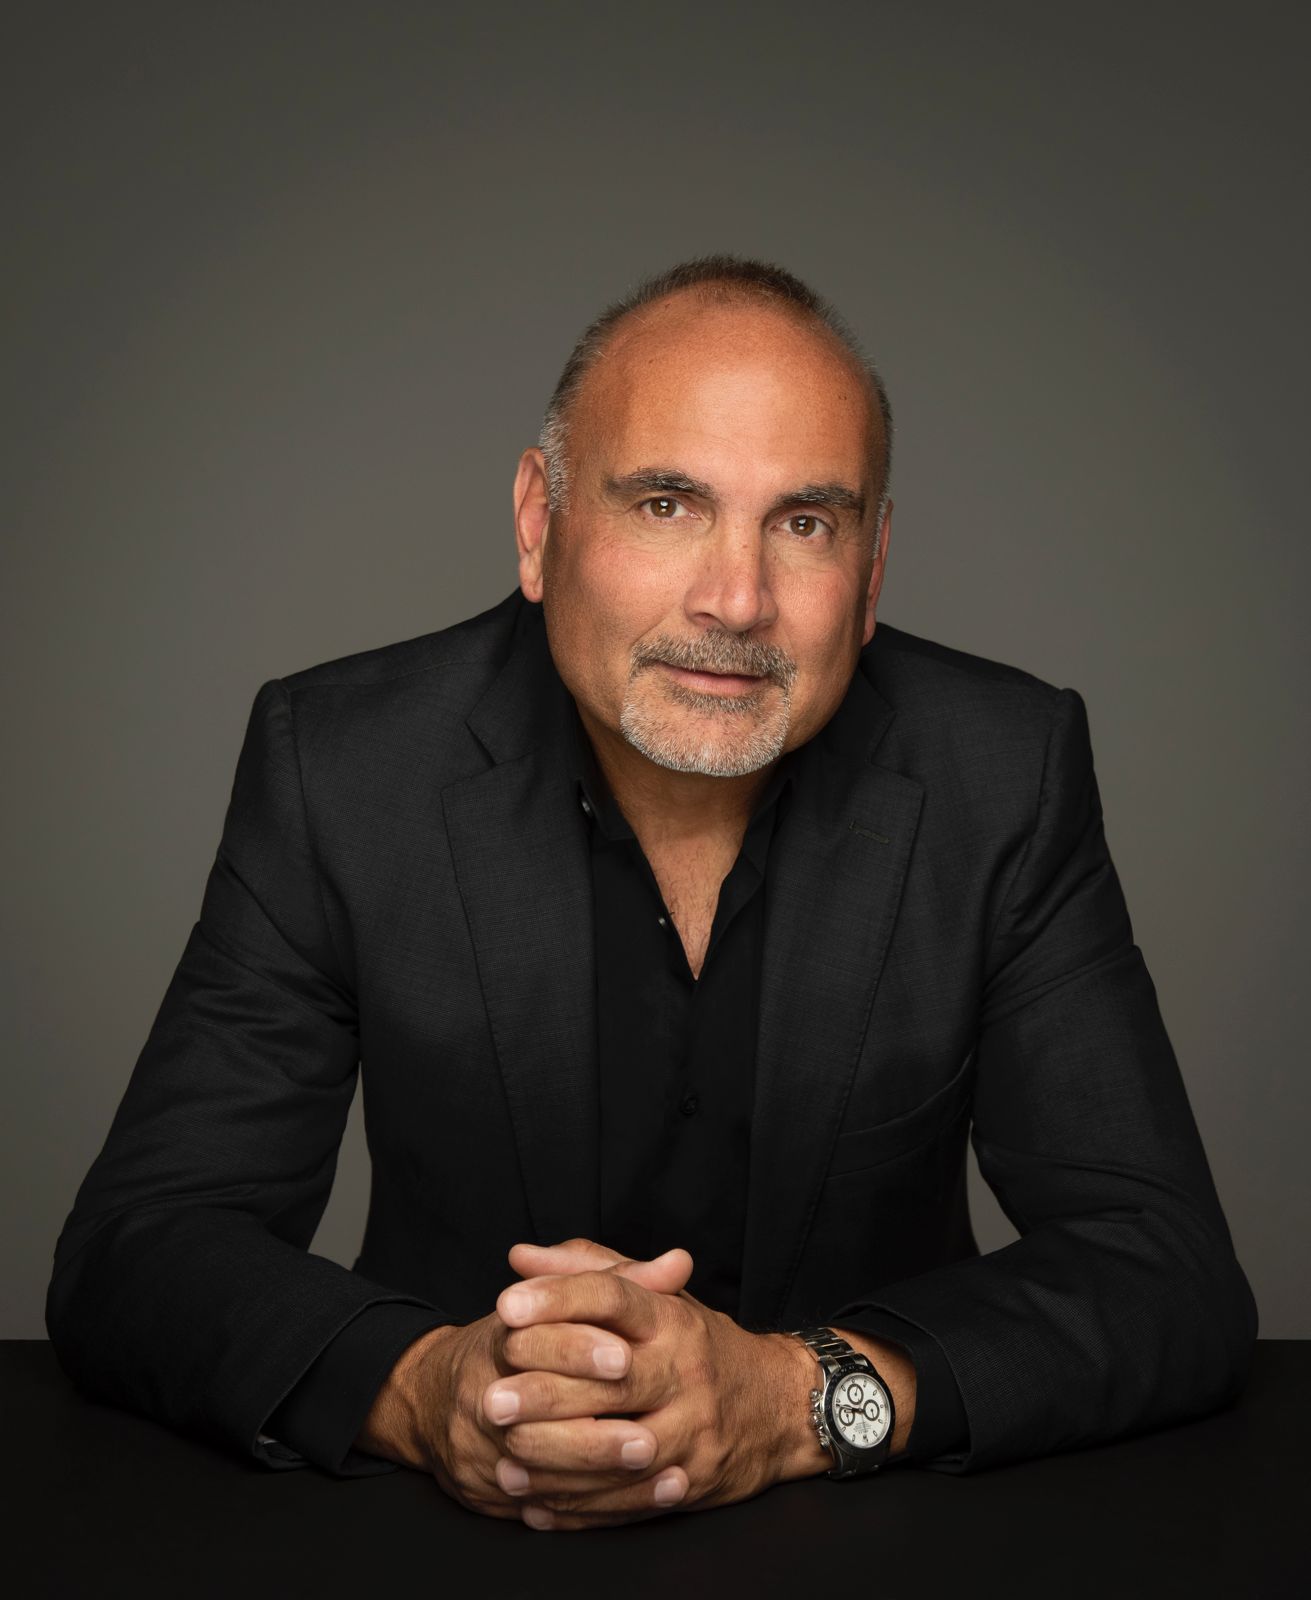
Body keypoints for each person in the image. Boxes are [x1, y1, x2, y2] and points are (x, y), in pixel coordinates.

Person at [46, 255, 1257, 1533]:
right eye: (668, 504)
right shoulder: (344, 766)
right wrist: (427, 1390)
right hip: (440, 1548)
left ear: (873, 568)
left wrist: (796, 1397)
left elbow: (1166, 1272)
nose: (736, 600)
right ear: (538, 522)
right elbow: (143, 1246)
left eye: (806, 522)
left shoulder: (1002, 772)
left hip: (874, 1543)